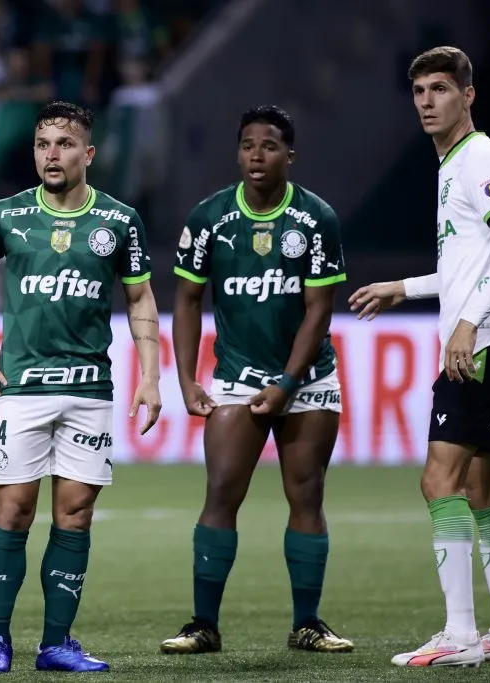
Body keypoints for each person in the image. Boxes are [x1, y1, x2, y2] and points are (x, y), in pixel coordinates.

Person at [0, 100, 162, 673]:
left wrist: (151, 374)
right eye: (43, 143)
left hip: (90, 389)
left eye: (65, 143)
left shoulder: (118, 220)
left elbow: (140, 295)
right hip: (20, 388)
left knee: (74, 516)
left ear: (87, 153)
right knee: (13, 512)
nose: (52, 153)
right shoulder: (6, 215)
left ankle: (56, 644)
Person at [349, 46, 490, 667]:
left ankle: (459, 635)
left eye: (440, 89)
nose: (428, 102)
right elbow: (471, 262)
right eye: (419, 92)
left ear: (468, 95)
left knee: (439, 481)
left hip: (484, 343)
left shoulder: (479, 157)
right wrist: (407, 287)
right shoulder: (454, 164)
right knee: (483, 489)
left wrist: (465, 323)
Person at [162, 105, 354, 656]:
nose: (255, 156)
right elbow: (187, 299)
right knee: (221, 493)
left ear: (288, 155)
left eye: (268, 146)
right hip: (237, 378)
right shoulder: (209, 218)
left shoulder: (317, 218)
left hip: (308, 380)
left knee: (307, 495)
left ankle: (307, 624)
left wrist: (288, 383)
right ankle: (203, 625)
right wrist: (187, 378)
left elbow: (319, 311)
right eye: (247, 145)